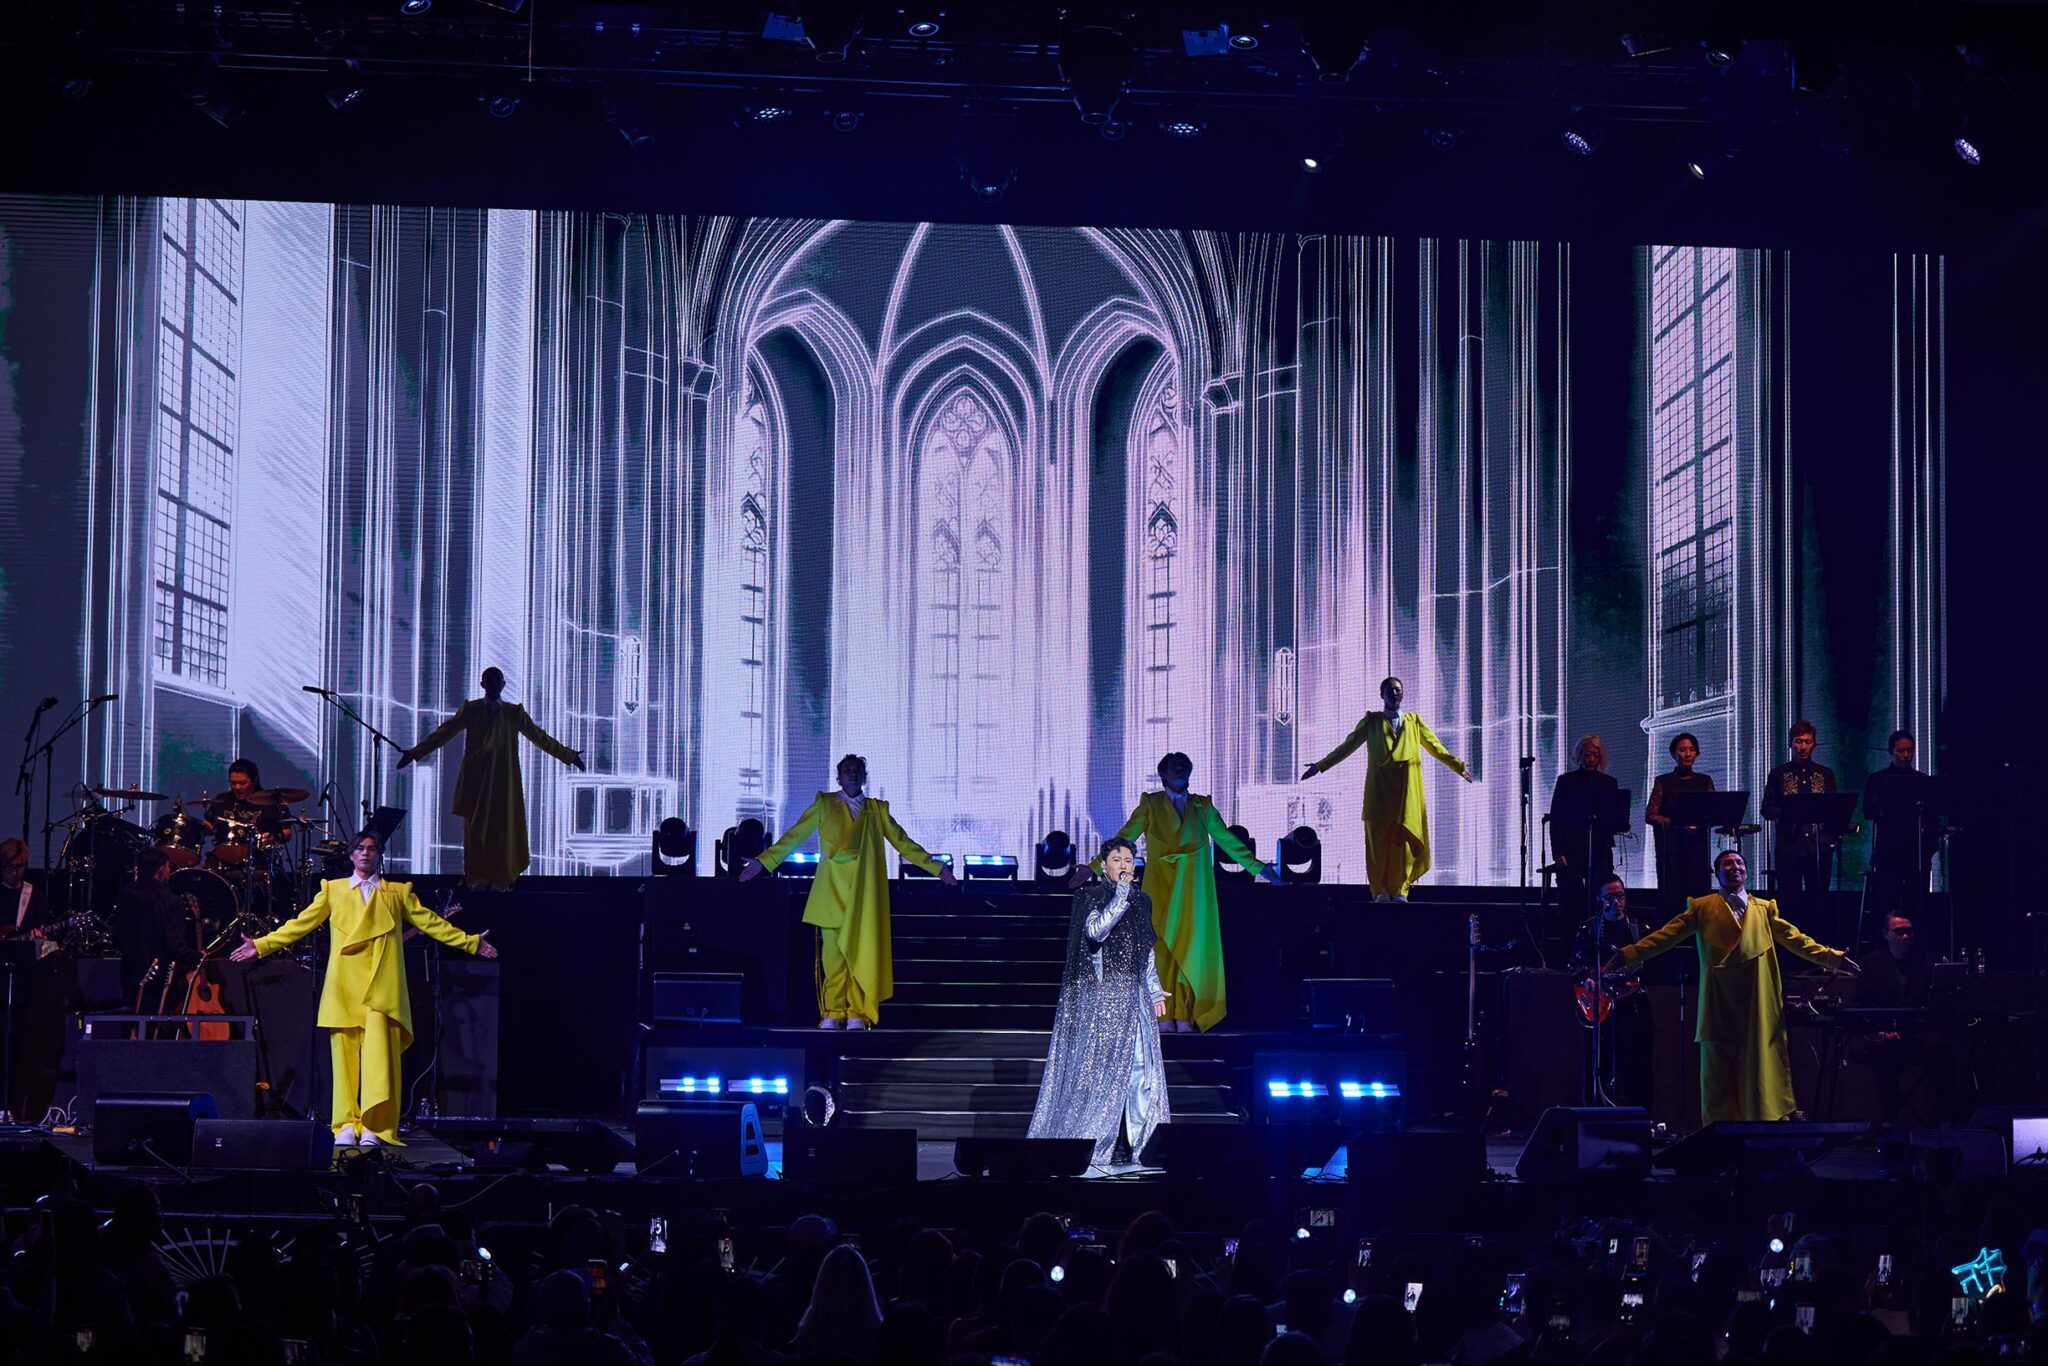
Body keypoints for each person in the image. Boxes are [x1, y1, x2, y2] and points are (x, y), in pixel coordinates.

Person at [230, 831, 497, 1147]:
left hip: (380, 991)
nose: (366, 853)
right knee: (343, 1062)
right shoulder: (333, 891)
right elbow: (300, 924)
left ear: (379, 855)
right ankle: (344, 1122)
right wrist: (261, 946)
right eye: (361, 849)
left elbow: (431, 924)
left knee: (378, 1061)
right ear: (351, 855)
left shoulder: (397, 893)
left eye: (373, 848)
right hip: (344, 987)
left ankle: (376, 1124)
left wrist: (470, 942)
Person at [1606, 849, 1856, 1124]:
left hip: (1756, 1003)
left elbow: (1797, 940)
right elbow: (1665, 936)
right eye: (1727, 863)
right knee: (1720, 1073)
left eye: (1739, 862)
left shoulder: (1763, 908)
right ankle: (1722, 1136)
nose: (1734, 866)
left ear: (1746, 871)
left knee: (1761, 1070)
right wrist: (1629, 954)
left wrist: (1834, 959)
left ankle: (1764, 1127)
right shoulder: (1702, 907)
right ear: (1717, 873)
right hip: (1720, 1003)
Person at [741, 755, 955, 1030]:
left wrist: (936, 867)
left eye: (857, 770)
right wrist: (764, 861)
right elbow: (794, 836)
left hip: (863, 895)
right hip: (831, 892)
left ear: (864, 776)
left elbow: (903, 843)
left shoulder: (876, 810)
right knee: (833, 957)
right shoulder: (825, 804)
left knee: (860, 951)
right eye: (847, 769)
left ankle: (857, 1012)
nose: (852, 773)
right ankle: (833, 1011)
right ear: (838, 776)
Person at [1077, 752, 1278, 1032]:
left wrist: (1258, 868)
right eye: (1174, 766)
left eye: (1184, 765)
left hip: (1192, 890)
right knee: (1160, 949)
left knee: (1190, 949)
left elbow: (1226, 839)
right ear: (1163, 775)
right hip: (1161, 887)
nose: (1180, 768)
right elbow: (1125, 838)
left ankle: (1184, 1014)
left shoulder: (1202, 806)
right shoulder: (1151, 804)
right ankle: (1161, 1015)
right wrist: (1093, 867)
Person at [1030, 837, 1170, 1173]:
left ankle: (1142, 1145)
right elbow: (1095, 932)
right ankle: (1094, 1140)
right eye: (1117, 859)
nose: (1125, 864)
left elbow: (1145, 951)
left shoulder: (1143, 901)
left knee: (1141, 1070)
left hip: (1132, 995)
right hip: (1103, 1000)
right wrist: (1120, 896)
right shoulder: (1089, 896)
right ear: (1103, 864)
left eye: (1129, 859)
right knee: (1100, 1072)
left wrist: (1153, 990)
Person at [398, 667, 584, 891]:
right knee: (475, 832)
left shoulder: (514, 713)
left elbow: (540, 737)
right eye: (489, 681)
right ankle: (476, 879)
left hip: (504, 782)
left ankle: (502, 879)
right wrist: (415, 752)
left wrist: (569, 755)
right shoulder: (471, 710)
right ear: (482, 684)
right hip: (476, 781)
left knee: (504, 830)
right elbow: (444, 732)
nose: (494, 685)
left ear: (503, 685)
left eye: (497, 681)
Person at [1301, 676, 1476, 903]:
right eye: (1391, 690)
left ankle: (1400, 889)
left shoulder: (1414, 722)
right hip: (1379, 792)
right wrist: (1320, 766)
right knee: (1377, 845)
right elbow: (1347, 746)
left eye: (1398, 690)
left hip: (1406, 794)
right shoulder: (1372, 722)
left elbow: (1435, 747)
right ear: (1381, 694)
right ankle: (1380, 891)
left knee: (1401, 843)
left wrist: (1458, 765)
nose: (1395, 693)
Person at [1566, 874, 1652, 1108]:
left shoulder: (1639, 928)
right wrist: (1589, 979)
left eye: (1620, 895)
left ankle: (1638, 1116)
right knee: (1599, 1061)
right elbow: (1574, 965)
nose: (1617, 902)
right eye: (1610, 897)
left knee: (1635, 1061)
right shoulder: (1589, 928)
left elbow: (1651, 967)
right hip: (1600, 1004)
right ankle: (1596, 1113)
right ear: (1599, 898)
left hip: (1631, 1003)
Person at [1849, 912, 1943, 1125]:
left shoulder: (1928, 961)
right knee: (1886, 1058)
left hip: (1915, 1036)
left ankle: (1944, 1123)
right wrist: (1879, 1031)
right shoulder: (1872, 963)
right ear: (1886, 934)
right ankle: (1890, 1124)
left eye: (1909, 931)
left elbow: (1934, 1005)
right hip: (1881, 1037)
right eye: (1899, 932)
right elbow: (1862, 1005)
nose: (1905, 936)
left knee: (1948, 1056)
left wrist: (1906, 1031)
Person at [1760, 721, 1840, 935]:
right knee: (1788, 901)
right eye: (1798, 742)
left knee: (1818, 900)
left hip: (1819, 847)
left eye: (1807, 742)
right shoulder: (1778, 774)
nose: (1803, 747)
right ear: (1791, 744)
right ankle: (1789, 957)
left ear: (1814, 745)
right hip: (1789, 846)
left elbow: (1834, 808)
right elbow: (1766, 808)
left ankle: (1817, 950)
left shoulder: (1825, 774)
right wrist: (1789, 811)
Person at [1860, 729, 1939, 938]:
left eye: (1909, 751)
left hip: (1917, 854)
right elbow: (1868, 811)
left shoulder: (1922, 781)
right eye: (1901, 751)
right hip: (1888, 853)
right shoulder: (1878, 780)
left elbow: (1933, 819)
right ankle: (1884, 953)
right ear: (1891, 751)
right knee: (1885, 905)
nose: (1905, 755)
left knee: (1918, 906)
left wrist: (1930, 848)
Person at [1549, 734, 1621, 922]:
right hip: (1571, 850)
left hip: (1599, 850)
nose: (1591, 759)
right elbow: (1556, 819)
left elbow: (1614, 819)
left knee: (1600, 898)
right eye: (1587, 755)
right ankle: (1569, 945)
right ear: (1579, 756)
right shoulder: (1566, 781)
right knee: (1570, 901)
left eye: (1595, 756)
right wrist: (1558, 852)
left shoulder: (1608, 783)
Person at [1645, 732, 1715, 917]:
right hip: (1672, 850)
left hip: (1697, 849)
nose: (1687, 754)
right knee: (1672, 899)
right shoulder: (1663, 781)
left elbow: (1712, 811)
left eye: (1691, 750)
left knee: (1699, 899)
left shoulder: (1704, 780)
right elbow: (1650, 814)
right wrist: (1675, 823)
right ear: (1674, 754)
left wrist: (1699, 824)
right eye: (1682, 750)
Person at [113, 847, 192, 1007]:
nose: (170, 872)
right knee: (158, 1026)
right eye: (169, 867)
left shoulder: (126, 896)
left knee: (133, 1023)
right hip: (161, 977)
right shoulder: (172, 902)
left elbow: (117, 937)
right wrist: (196, 957)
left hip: (129, 972)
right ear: (161, 870)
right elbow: (174, 944)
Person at [0, 838, 51, 939]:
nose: (14, 873)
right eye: (9, 867)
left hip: (25, 952)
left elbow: (42, 927)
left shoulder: (35, 895)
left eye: (19, 867)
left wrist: (39, 937)